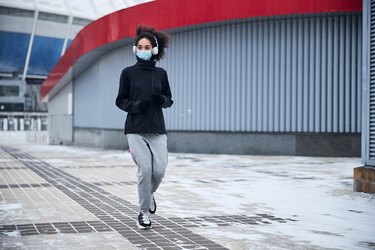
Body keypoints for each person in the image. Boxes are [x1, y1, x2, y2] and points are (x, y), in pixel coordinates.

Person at [115, 26, 173, 230]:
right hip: (135, 129)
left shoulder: (161, 74)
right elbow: (120, 101)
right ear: (135, 49)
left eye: (147, 47)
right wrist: (136, 106)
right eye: (140, 46)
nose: (143, 49)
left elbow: (169, 100)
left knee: (159, 170)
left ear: (154, 50)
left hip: (157, 128)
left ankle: (149, 194)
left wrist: (162, 99)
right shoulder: (128, 73)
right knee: (145, 170)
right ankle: (143, 213)